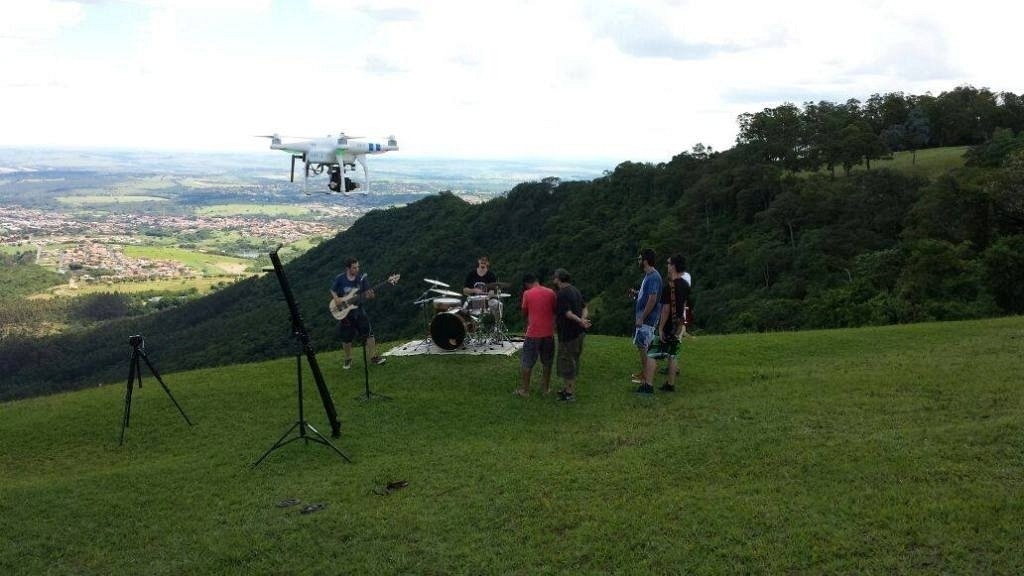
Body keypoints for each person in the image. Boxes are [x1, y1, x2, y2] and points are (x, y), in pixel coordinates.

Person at [330, 257, 386, 369]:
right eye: (354, 267)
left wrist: (371, 295)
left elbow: (370, 294)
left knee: (369, 334)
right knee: (346, 338)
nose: (357, 269)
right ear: (348, 268)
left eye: (358, 267)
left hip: (359, 311)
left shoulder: (362, 279)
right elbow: (333, 290)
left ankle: (373, 357)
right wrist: (336, 299)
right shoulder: (340, 279)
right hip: (345, 313)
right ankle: (348, 359)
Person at [649, 254, 691, 392]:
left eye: (668, 263)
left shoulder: (669, 287)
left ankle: (647, 385)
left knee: (652, 354)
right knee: (673, 354)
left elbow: (665, 309)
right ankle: (670, 384)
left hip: (667, 324)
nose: (667, 265)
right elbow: (684, 304)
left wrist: (660, 328)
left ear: (673, 266)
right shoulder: (685, 285)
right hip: (678, 324)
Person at [515, 272, 557, 397]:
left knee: (527, 362)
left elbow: (524, 312)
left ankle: (525, 390)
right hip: (549, 333)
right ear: (537, 280)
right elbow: (555, 310)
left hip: (533, 333)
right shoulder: (551, 292)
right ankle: (545, 389)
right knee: (547, 362)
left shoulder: (527, 293)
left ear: (527, 284)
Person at [553, 268, 590, 402]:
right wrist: (583, 320)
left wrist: (580, 321)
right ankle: (567, 389)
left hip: (568, 334)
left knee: (567, 361)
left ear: (559, 279)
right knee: (574, 359)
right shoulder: (575, 290)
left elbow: (567, 313)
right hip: (579, 333)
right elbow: (585, 307)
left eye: (555, 277)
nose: (554, 280)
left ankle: (569, 393)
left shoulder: (562, 294)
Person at [632, 248, 662, 395]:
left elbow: (653, 298)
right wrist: (638, 294)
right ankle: (645, 377)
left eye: (639, 259)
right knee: (642, 348)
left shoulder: (654, 277)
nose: (638, 261)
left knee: (646, 350)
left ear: (645, 260)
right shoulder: (648, 276)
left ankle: (647, 383)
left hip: (647, 320)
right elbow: (648, 295)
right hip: (643, 319)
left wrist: (642, 317)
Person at [462, 255, 503, 320]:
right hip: (473, 300)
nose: (483, 261)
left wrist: (488, 296)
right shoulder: (471, 274)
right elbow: (464, 290)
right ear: (478, 261)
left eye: (485, 260)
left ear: (488, 263)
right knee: (463, 310)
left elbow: (493, 291)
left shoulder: (491, 275)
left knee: (498, 305)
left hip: (488, 301)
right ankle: (467, 327)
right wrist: (474, 290)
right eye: (482, 260)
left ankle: (497, 326)